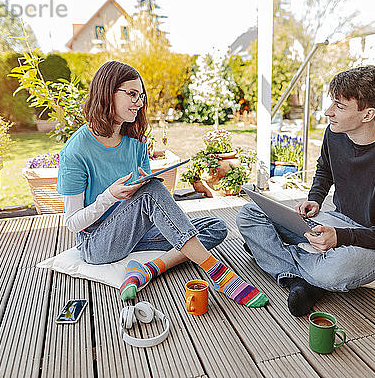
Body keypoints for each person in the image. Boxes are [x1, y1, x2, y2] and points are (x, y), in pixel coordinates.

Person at [57, 61, 268, 308]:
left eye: (141, 96)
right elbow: (72, 223)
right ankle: (217, 272)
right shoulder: (75, 151)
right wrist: (110, 196)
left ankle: (147, 270)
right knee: (152, 192)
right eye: (132, 94)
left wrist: (141, 189)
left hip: (137, 232)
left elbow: (145, 199)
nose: (139, 103)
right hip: (96, 243)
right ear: (107, 93)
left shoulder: (134, 140)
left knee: (215, 226)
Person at [236, 65, 375, 316]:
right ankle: (300, 277)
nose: (328, 112)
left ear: (367, 114)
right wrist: (315, 199)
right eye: (332, 103)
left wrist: (341, 238)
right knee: (249, 214)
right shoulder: (336, 133)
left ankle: (274, 257)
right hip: (337, 222)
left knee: (332, 272)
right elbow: (325, 168)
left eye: (340, 107)